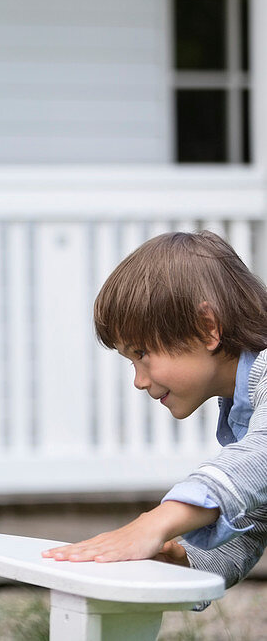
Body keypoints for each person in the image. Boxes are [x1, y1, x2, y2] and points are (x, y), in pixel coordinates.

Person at [43, 231, 267, 590]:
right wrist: (188, 564)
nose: (138, 380)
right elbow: (252, 522)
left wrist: (155, 522)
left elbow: (260, 457)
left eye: (142, 353)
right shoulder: (244, 411)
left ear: (207, 328)